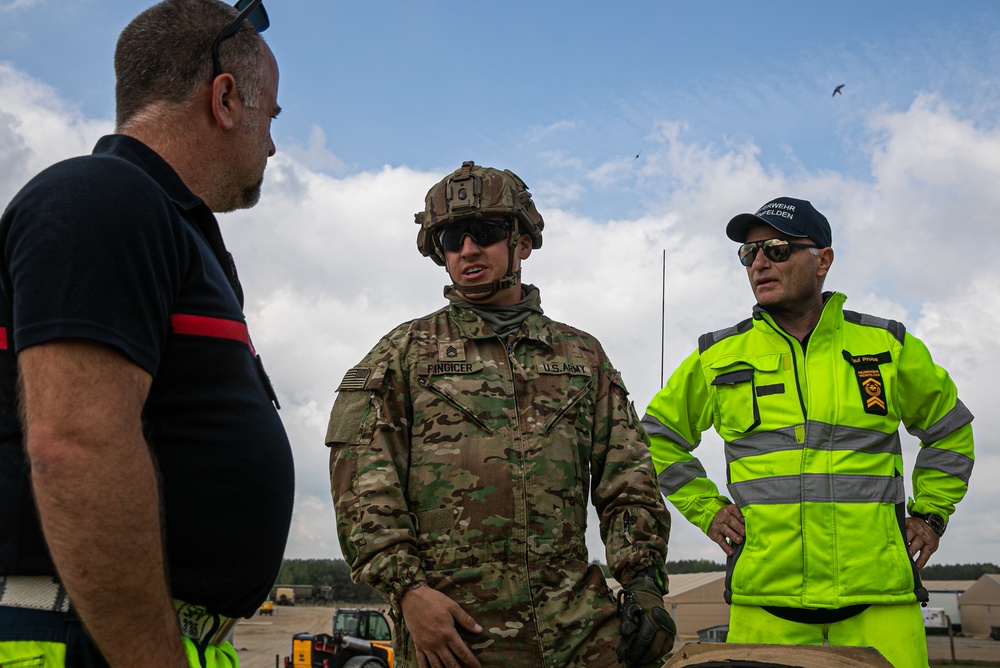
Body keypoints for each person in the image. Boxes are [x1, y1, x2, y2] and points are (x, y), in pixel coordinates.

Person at [0, 1, 294, 666]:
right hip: (82, 641)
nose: (272, 144)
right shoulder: (100, 197)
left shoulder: (167, 225)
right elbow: (76, 444)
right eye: (269, 118)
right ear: (224, 98)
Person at [326, 161, 675, 668]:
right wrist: (408, 593)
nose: (468, 249)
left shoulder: (582, 357)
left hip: (579, 636)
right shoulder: (403, 354)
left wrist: (643, 584)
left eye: (485, 233)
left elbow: (629, 480)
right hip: (453, 640)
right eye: (451, 238)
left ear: (522, 242)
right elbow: (362, 484)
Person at [642, 197, 975, 667]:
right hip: (764, 607)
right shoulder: (716, 356)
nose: (758, 263)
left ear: (823, 260)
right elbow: (655, 435)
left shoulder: (886, 346)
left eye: (776, 249)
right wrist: (708, 510)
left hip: (881, 604)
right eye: (748, 253)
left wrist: (932, 515)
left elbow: (950, 429)